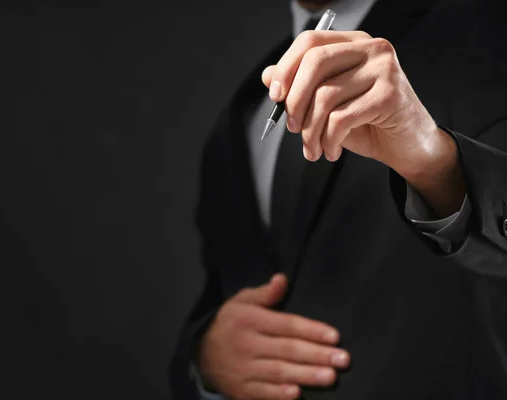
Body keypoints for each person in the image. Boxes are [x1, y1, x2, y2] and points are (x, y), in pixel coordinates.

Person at [170, 0, 507, 399]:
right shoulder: (240, 115)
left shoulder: (486, 28)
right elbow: (220, 291)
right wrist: (205, 361)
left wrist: (430, 156)